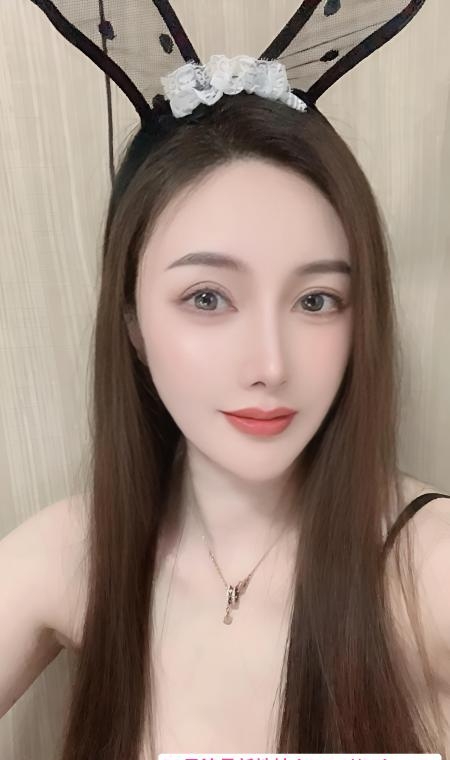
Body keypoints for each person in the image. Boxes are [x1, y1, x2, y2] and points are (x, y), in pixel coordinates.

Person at [1, 2, 449, 759]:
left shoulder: (426, 568)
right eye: (207, 298)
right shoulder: (75, 555)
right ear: (132, 323)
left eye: (317, 301)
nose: (269, 365)